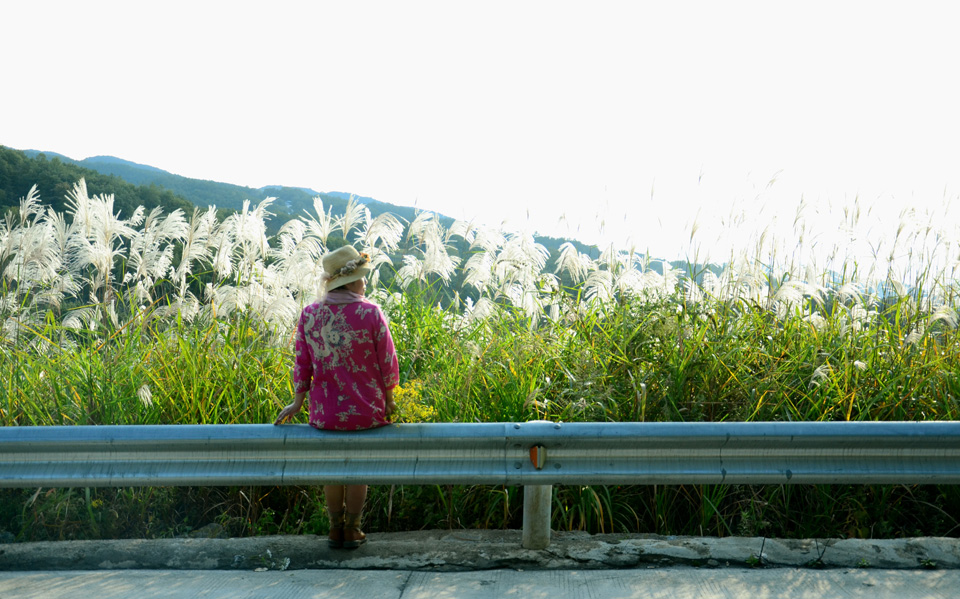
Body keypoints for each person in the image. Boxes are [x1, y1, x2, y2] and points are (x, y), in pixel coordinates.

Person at [274, 245, 400, 549]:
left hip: (325, 413)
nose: (365, 283)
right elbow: (388, 362)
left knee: (333, 469)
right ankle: (353, 529)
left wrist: (298, 402)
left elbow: (302, 363)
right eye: (362, 277)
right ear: (352, 281)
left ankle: (334, 529)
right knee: (358, 470)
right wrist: (391, 400)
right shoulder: (370, 312)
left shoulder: (309, 314)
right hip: (366, 411)